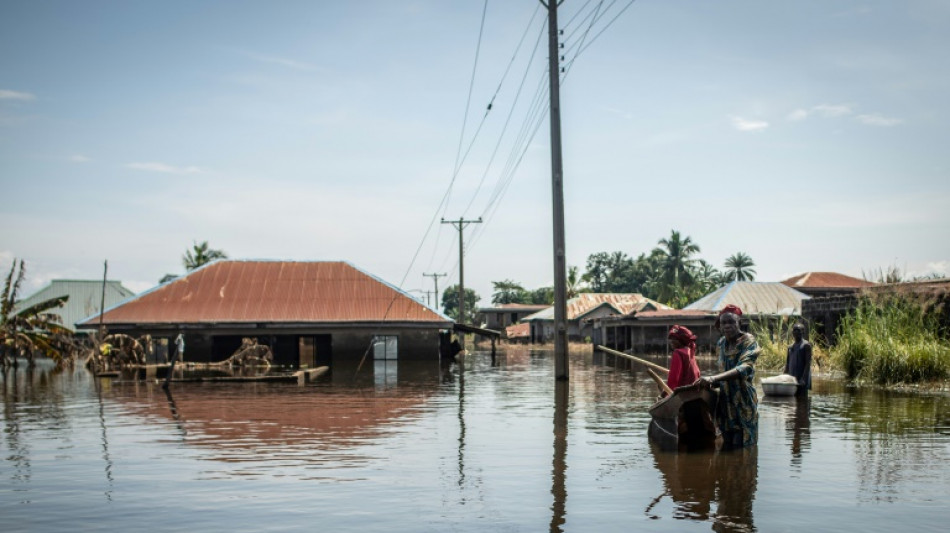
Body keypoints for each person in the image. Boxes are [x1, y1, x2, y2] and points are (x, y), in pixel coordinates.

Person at [695, 304, 759, 448]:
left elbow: (744, 368)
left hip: (743, 399)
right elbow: (723, 371)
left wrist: (713, 378)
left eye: (731, 322)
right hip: (725, 400)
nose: (727, 326)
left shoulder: (748, 341)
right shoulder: (721, 343)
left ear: (739, 323)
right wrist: (708, 382)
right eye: (723, 323)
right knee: (727, 443)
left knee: (743, 444)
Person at [665, 325, 701, 394]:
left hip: (684, 392)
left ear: (681, 340)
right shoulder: (690, 351)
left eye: (674, 339)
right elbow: (697, 373)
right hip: (694, 391)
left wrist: (664, 395)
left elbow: (673, 379)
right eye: (671, 339)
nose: (671, 341)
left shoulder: (678, 353)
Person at [785, 322, 812, 394]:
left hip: (801, 380)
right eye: (794, 330)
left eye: (798, 330)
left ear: (803, 332)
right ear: (792, 332)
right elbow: (787, 364)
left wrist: (803, 379)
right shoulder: (790, 347)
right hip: (792, 379)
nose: (796, 332)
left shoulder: (806, 345)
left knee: (802, 398)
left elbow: (808, 363)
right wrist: (784, 377)